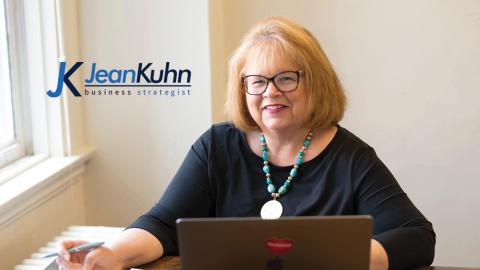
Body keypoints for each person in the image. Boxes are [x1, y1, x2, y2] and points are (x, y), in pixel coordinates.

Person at [57, 16, 435, 270]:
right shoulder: (215, 147)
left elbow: (417, 237)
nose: (270, 92)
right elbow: (163, 224)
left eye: (286, 78)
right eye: (257, 81)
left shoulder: (352, 158)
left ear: (315, 83)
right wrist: (110, 256)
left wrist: (340, 257)